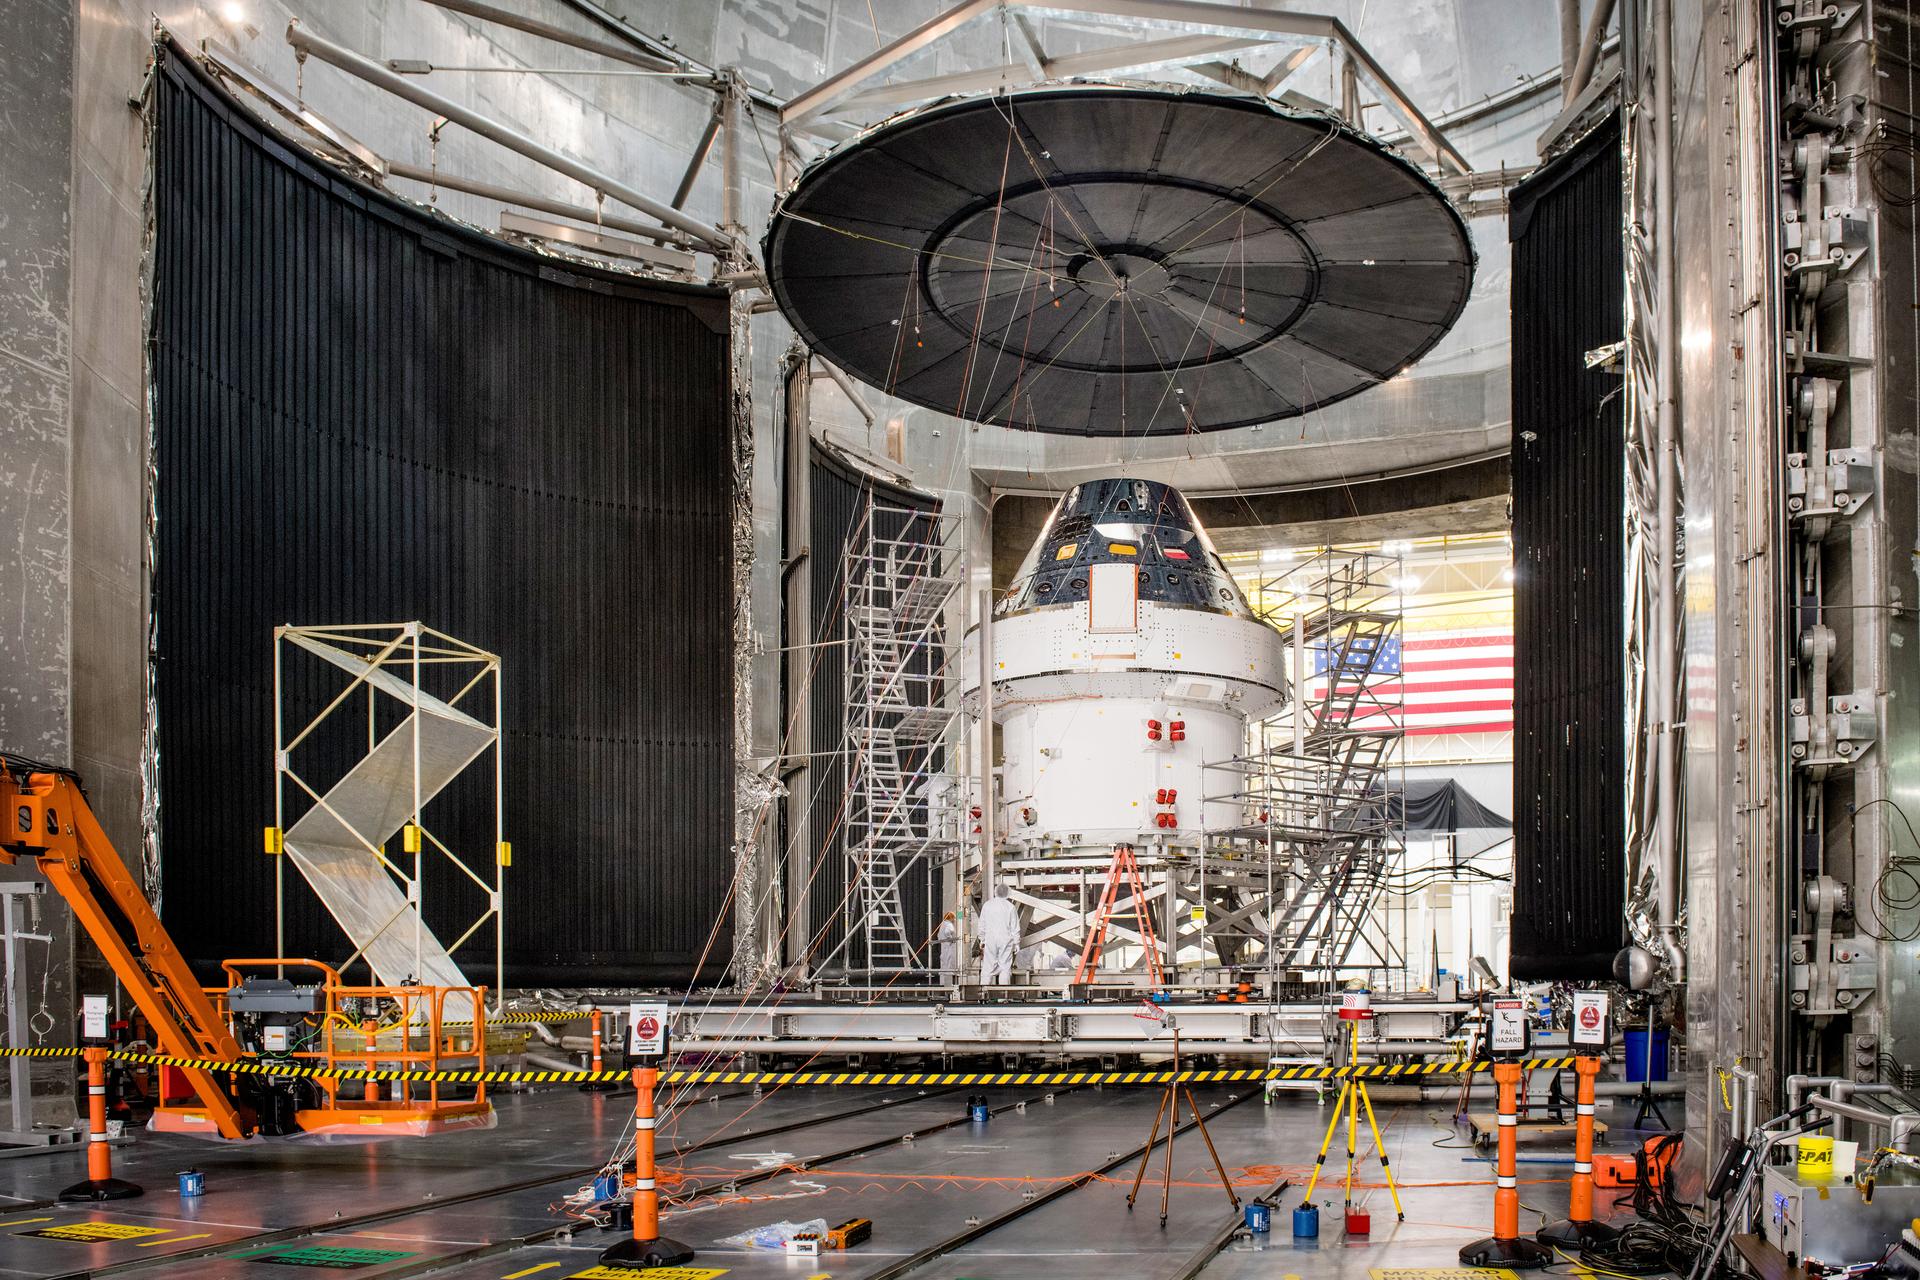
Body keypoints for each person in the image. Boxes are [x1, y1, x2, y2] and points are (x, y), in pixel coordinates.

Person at [978, 884, 1019, 986]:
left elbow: (982, 924)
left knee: (988, 967)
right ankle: (1003, 993)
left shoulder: (987, 905)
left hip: (990, 939)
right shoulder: (1010, 907)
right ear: (1008, 893)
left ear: (995, 892)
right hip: (1006, 939)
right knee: (1005, 967)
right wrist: (1016, 943)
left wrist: (982, 939)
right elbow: (1015, 927)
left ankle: (983, 991)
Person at [936, 912, 958, 982]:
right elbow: (947, 932)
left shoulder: (943, 924)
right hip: (948, 944)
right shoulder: (949, 924)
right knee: (949, 958)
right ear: (951, 918)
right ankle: (948, 973)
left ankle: (943, 975)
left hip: (943, 944)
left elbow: (938, 935)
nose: (954, 919)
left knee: (943, 959)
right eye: (954, 918)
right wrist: (951, 939)